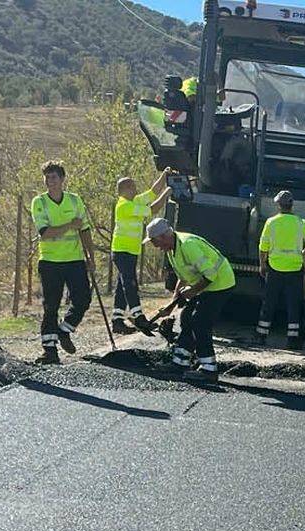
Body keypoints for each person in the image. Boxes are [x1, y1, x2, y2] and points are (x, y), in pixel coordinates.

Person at [144, 218, 233, 383]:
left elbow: (211, 275)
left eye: (155, 242)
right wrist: (172, 304)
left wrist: (193, 291)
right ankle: (180, 362)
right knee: (186, 317)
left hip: (220, 284)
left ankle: (209, 369)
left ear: (164, 236)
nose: (156, 247)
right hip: (204, 284)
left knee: (200, 322)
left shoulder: (188, 246)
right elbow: (183, 279)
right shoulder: (172, 250)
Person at [31, 161, 96, 364]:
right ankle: (49, 350)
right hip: (50, 261)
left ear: (62, 179)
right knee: (51, 305)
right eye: (47, 177)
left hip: (74, 260)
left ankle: (64, 329)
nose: (50, 181)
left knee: (83, 299)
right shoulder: (39, 202)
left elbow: (85, 229)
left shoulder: (75, 201)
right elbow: (46, 233)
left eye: (54, 177)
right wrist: (70, 225)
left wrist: (91, 258)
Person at [111, 169, 174, 332]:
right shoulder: (125, 206)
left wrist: (164, 176)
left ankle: (117, 320)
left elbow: (152, 193)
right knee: (130, 284)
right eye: (132, 187)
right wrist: (166, 194)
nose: (135, 189)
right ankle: (138, 317)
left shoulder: (134, 202)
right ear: (124, 189)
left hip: (131, 251)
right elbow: (152, 209)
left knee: (122, 284)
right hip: (122, 251)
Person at [256, 190, 305, 349]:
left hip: (274, 268)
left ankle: (261, 336)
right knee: (293, 305)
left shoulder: (271, 222)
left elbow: (263, 247)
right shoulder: (300, 222)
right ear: (292, 205)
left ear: (278, 205)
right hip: (295, 269)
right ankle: (292, 340)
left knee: (269, 303)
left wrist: (262, 265)